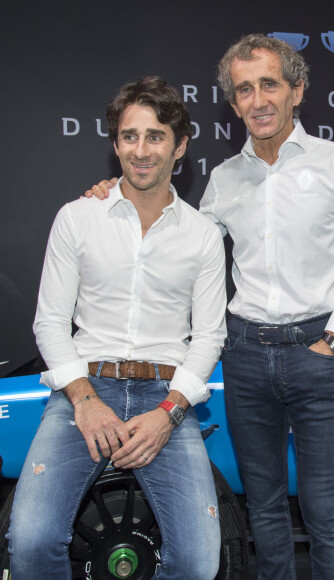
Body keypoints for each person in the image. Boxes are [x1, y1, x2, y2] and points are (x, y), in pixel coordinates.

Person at [85, 34, 334, 579]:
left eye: (269, 83)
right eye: (244, 89)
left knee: (324, 514)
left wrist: (333, 341)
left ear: (298, 89)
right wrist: (117, 192)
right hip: (245, 357)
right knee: (263, 511)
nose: (258, 99)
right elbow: (176, 236)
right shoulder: (223, 180)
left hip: (319, 356)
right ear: (233, 102)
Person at [7, 76, 227, 579]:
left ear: (181, 146)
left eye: (156, 136)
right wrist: (85, 402)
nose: (142, 150)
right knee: (32, 542)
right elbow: (50, 323)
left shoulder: (203, 235)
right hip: (83, 391)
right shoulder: (77, 218)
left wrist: (168, 415)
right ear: (115, 144)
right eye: (130, 136)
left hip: (166, 399)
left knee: (197, 562)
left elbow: (209, 337)